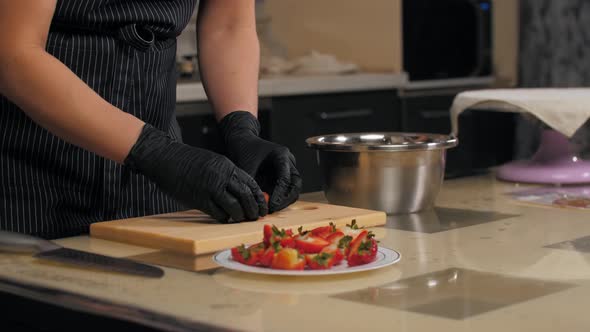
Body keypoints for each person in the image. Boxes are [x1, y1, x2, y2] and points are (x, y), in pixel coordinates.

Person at [0, 0, 302, 239]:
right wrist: (156, 152)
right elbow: (13, 53)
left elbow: (229, 24)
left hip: (153, 181)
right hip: (29, 170)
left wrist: (241, 128)